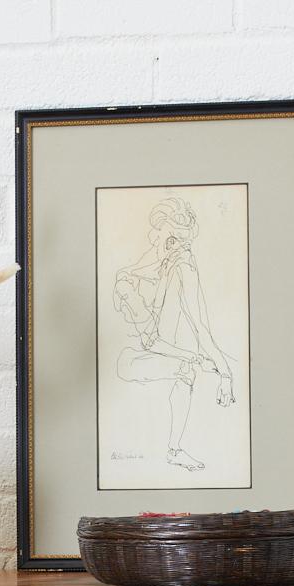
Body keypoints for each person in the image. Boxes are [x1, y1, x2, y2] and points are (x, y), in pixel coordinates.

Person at [112, 196, 234, 472]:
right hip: (130, 360)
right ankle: (174, 451)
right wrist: (206, 364)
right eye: (179, 241)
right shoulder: (137, 280)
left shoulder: (172, 266)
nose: (153, 238)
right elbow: (153, 340)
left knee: (190, 365)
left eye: (186, 243)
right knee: (186, 368)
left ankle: (174, 450)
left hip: (145, 352)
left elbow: (198, 326)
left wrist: (221, 370)